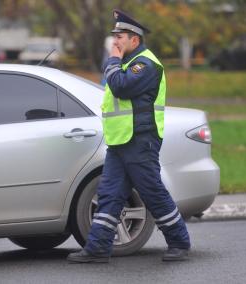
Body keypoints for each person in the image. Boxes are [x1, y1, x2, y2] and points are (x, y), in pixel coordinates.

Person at [67, 9, 191, 264]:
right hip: (120, 141)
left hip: (141, 140)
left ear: (134, 39)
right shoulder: (125, 64)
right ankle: (98, 247)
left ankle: (179, 241)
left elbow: (121, 87)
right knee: (110, 193)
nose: (115, 41)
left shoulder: (145, 64)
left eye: (120, 36)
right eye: (114, 36)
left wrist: (112, 60)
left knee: (152, 191)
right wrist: (114, 62)